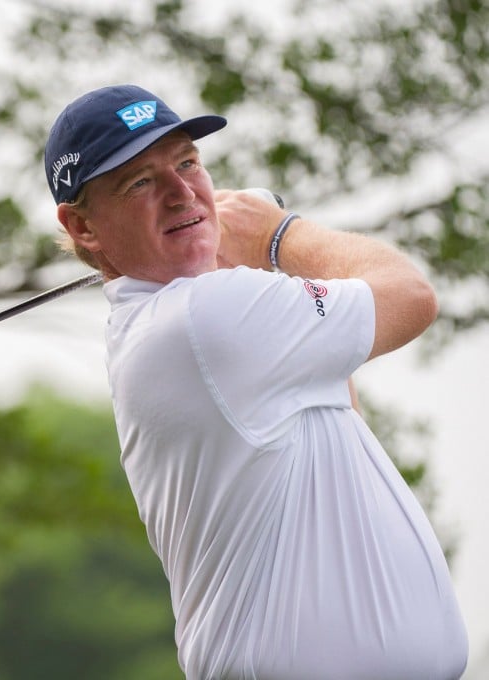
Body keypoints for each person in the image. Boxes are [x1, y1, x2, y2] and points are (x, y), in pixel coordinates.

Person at [44, 84, 468, 679]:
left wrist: (250, 261)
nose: (181, 192)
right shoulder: (201, 320)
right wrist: (277, 233)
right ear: (83, 227)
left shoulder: (200, 323)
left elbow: (336, 388)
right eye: (139, 181)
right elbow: (412, 297)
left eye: (187, 162)